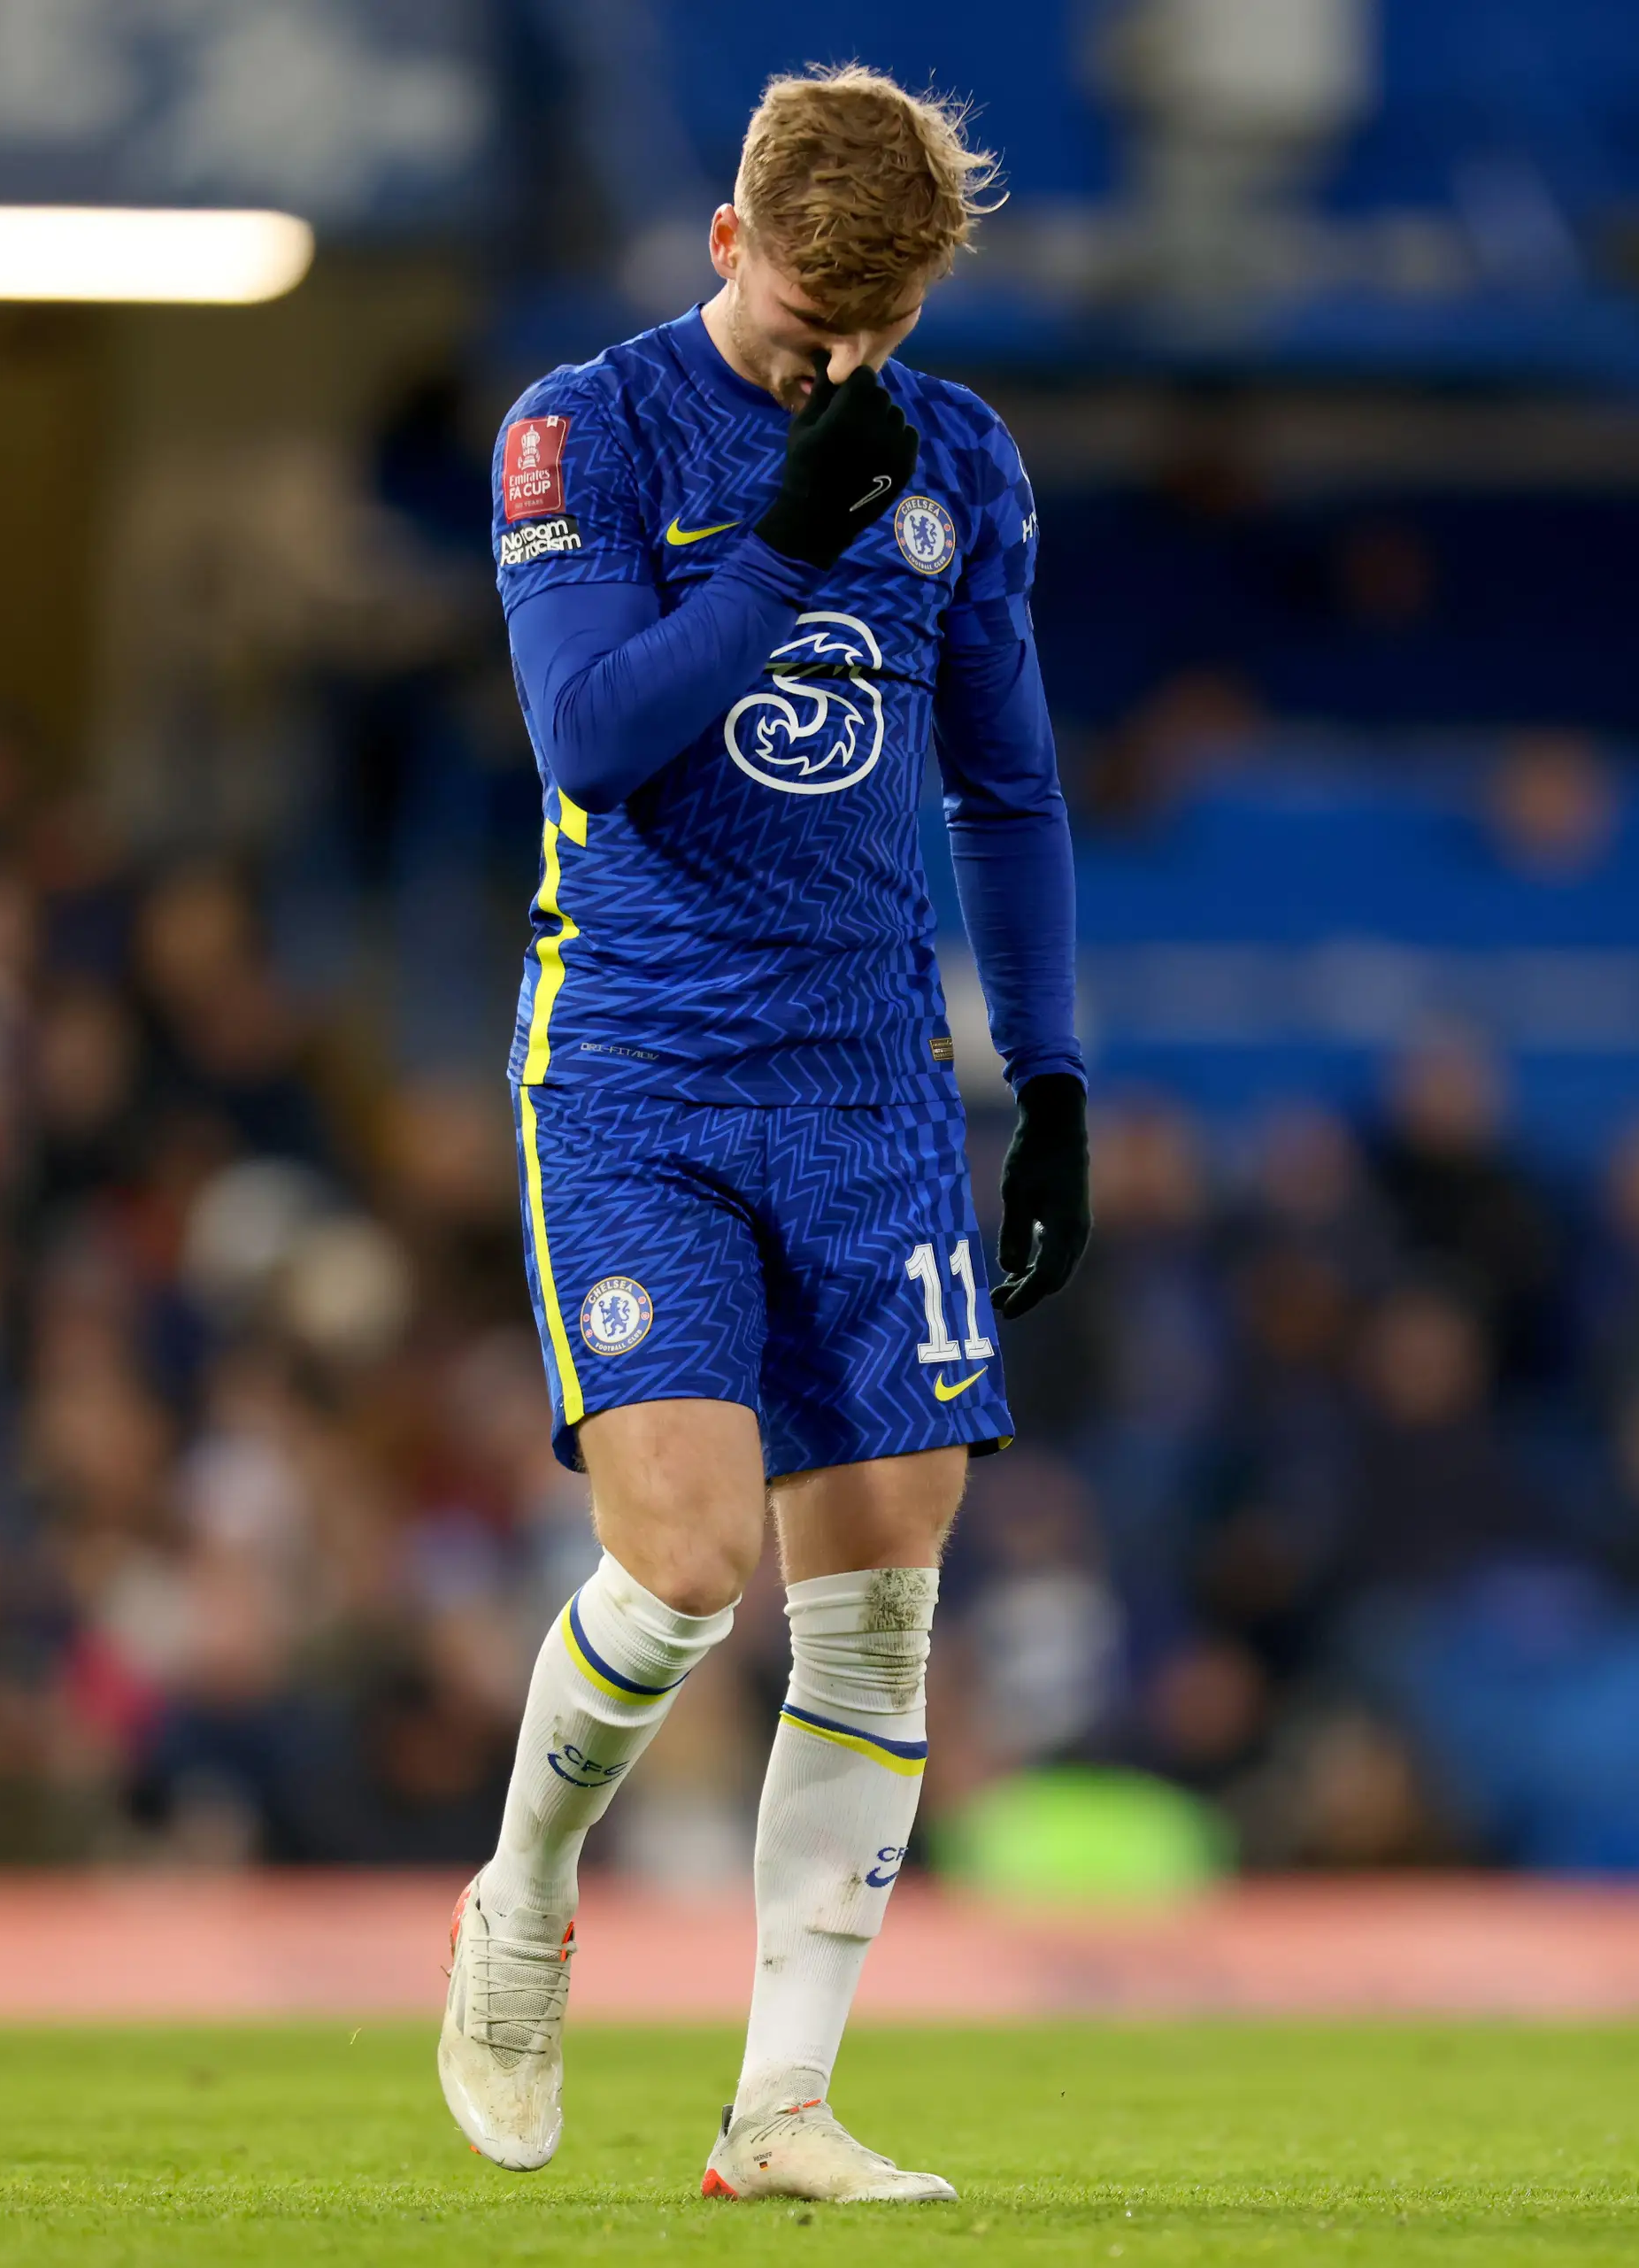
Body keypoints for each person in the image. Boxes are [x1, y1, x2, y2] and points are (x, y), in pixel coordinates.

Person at [441, 66, 1088, 2205]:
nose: (842, 368)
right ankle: (523, 1900)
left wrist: (1057, 1075)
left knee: (887, 1594)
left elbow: (1007, 787)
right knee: (689, 1562)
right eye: (815, 319)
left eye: (879, 336)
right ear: (727, 244)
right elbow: (595, 736)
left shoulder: (962, 460)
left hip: (875, 1090)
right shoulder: (587, 429)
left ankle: (782, 2105)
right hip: (637, 1071)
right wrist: (786, 537)